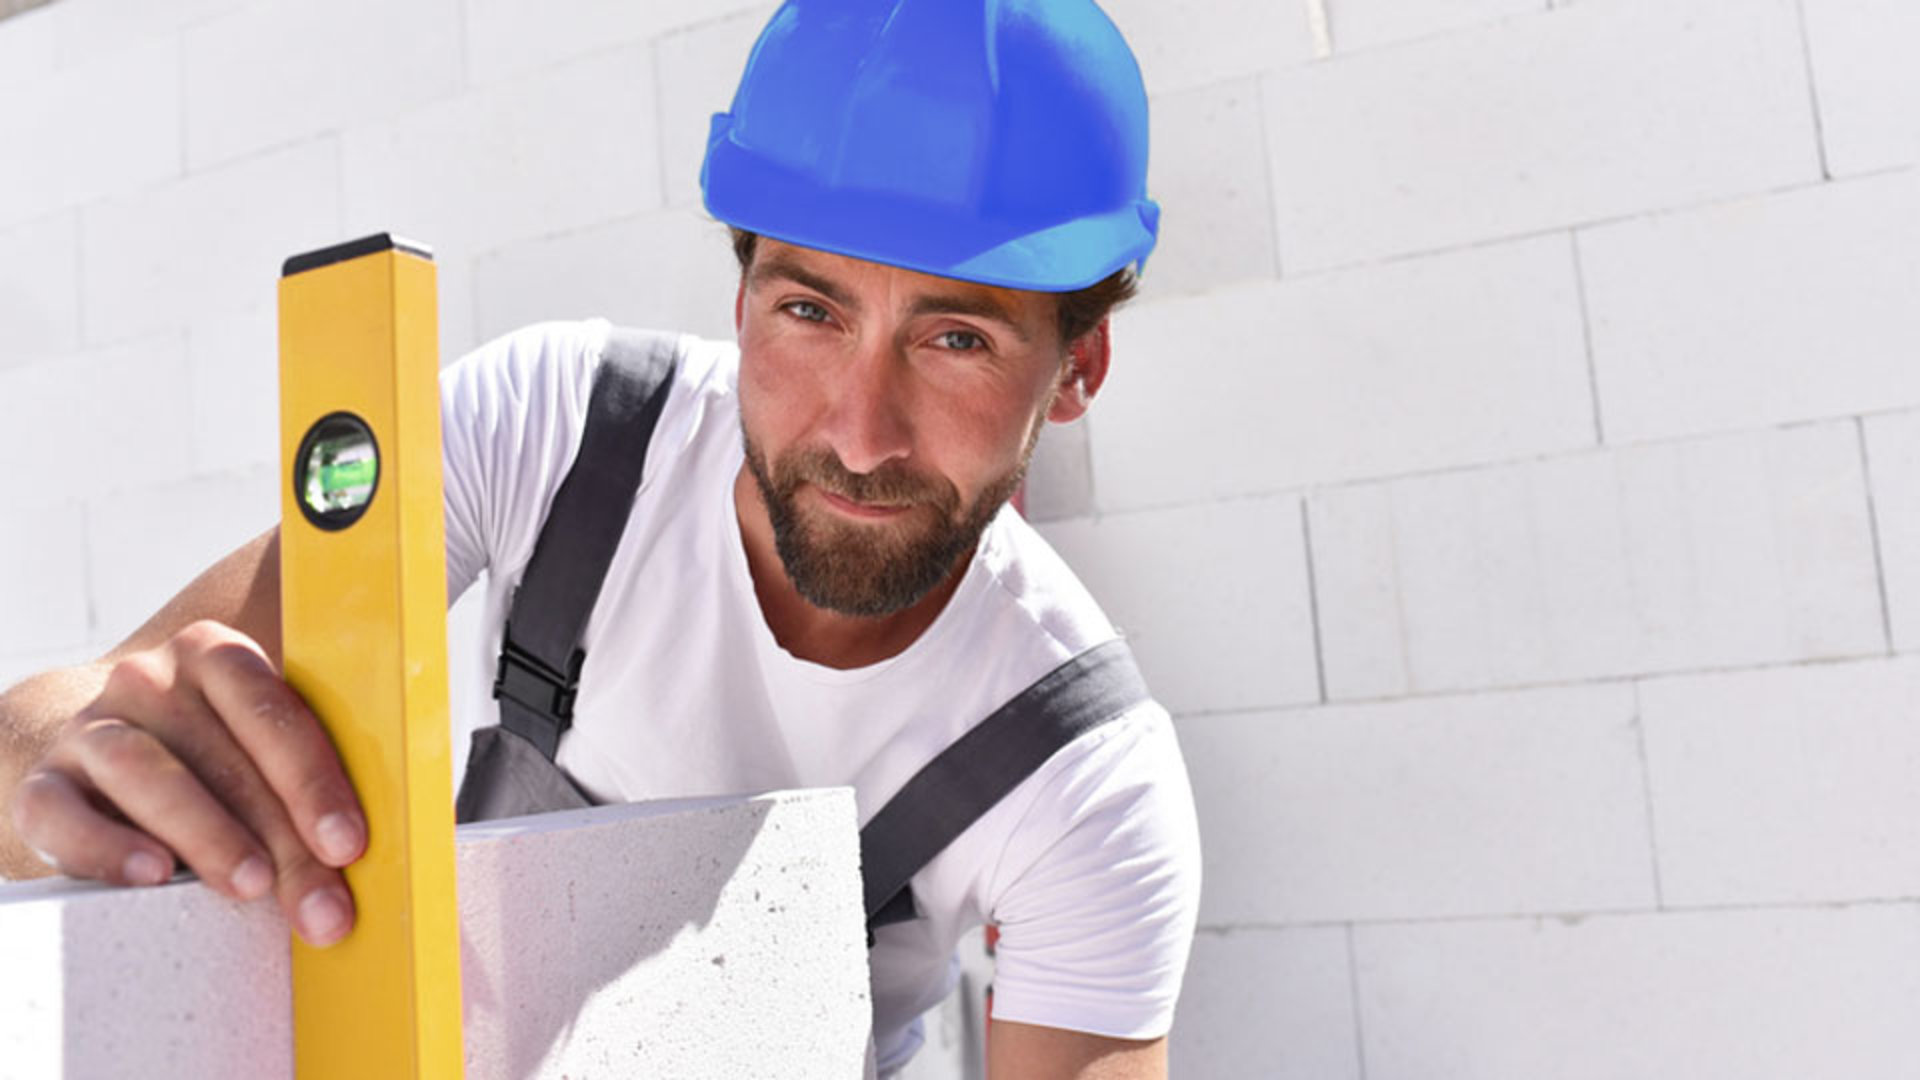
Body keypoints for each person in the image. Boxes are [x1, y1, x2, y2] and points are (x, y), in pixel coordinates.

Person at [0, 1, 1200, 1077]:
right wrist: (66, 757)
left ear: (1076, 369)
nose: (860, 431)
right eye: (808, 310)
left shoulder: (1085, 780)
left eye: (956, 341)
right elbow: (65, 724)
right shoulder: (561, 433)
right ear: (740, 304)